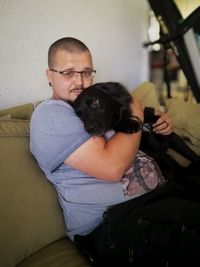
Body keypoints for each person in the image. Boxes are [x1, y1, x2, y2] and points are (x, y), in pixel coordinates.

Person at [30, 37, 173, 243]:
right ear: (50, 75)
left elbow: (124, 129)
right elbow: (111, 168)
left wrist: (158, 122)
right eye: (68, 73)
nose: (79, 82)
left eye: (86, 73)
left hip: (154, 199)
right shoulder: (51, 113)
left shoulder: (90, 104)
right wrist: (136, 115)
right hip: (111, 225)